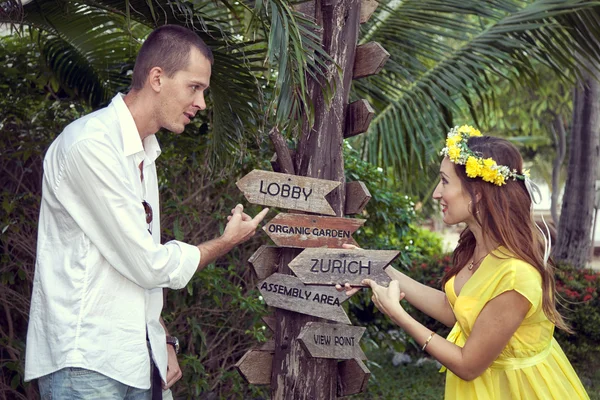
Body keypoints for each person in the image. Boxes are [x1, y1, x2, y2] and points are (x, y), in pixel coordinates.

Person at [24, 24, 268, 399]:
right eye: (195, 87)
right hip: (85, 363)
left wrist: (162, 337)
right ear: (157, 78)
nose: (202, 102)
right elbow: (147, 264)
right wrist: (225, 241)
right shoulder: (91, 146)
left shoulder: (144, 152)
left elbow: (128, 268)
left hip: (139, 358)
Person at [338, 125, 589, 399]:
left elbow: (469, 365)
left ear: (478, 193)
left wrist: (398, 314)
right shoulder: (479, 246)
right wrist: (373, 268)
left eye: (445, 181)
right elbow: (454, 309)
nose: (435, 193)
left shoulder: (516, 275)